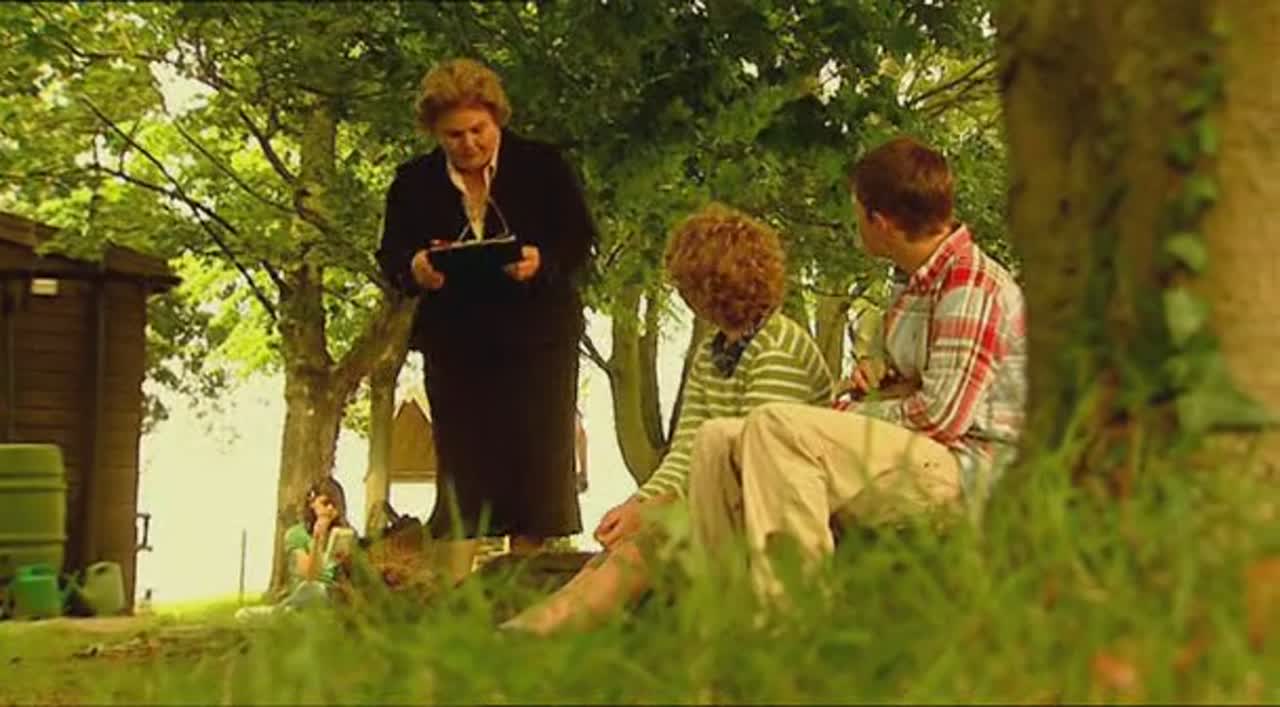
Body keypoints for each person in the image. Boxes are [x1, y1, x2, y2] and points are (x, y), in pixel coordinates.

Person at [687, 136, 1028, 602]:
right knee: (717, 440)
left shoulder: (970, 284)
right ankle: (725, 619)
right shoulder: (914, 282)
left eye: (857, 210)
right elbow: (915, 385)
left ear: (879, 221)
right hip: (922, 449)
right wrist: (878, 378)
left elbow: (941, 416)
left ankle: (792, 621)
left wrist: (849, 411)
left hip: (969, 470)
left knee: (777, 425)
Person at [501, 202, 834, 634]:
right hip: (719, 497)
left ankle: (540, 633)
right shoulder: (713, 352)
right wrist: (639, 503)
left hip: (773, 508)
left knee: (646, 547)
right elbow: (687, 448)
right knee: (622, 547)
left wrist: (658, 510)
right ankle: (535, 629)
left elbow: (755, 460)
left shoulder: (777, 347)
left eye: (688, 286)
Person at [376, 58, 597, 585]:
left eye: (478, 130)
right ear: (434, 133)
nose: (469, 144)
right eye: (454, 136)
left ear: (497, 118)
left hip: (538, 342)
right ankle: (454, 593)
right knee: (463, 467)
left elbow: (580, 240)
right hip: (457, 346)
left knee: (536, 467)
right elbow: (390, 255)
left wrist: (542, 261)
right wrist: (415, 267)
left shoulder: (543, 167)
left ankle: (524, 588)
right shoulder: (412, 183)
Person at [236, 477, 355, 621]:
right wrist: (317, 538)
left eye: (335, 505)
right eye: (325, 503)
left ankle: (286, 612)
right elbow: (310, 575)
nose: (330, 509)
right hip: (308, 590)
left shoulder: (342, 534)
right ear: (312, 503)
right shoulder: (297, 534)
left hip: (334, 593)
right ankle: (279, 612)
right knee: (313, 589)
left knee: (334, 594)